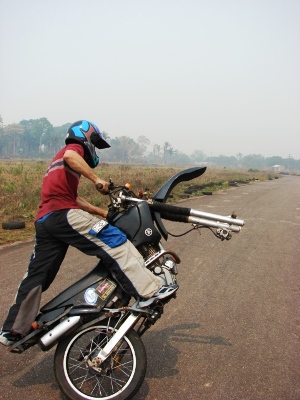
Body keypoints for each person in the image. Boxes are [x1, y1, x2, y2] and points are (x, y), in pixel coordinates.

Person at [0, 120, 178, 347]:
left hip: (46, 220)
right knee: (115, 240)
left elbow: (73, 198)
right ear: (85, 137)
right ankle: (149, 291)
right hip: (63, 215)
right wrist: (96, 179)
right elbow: (70, 159)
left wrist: (102, 212)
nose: (93, 148)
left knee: (38, 275)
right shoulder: (72, 150)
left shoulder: (58, 164)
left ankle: (13, 329)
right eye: (94, 142)